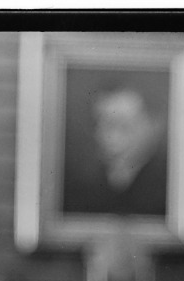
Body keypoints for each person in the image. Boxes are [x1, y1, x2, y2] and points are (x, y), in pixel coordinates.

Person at [62, 84, 168, 217]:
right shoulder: (80, 182)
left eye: (122, 125)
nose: (105, 135)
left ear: (154, 125)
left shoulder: (171, 185)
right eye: (100, 122)